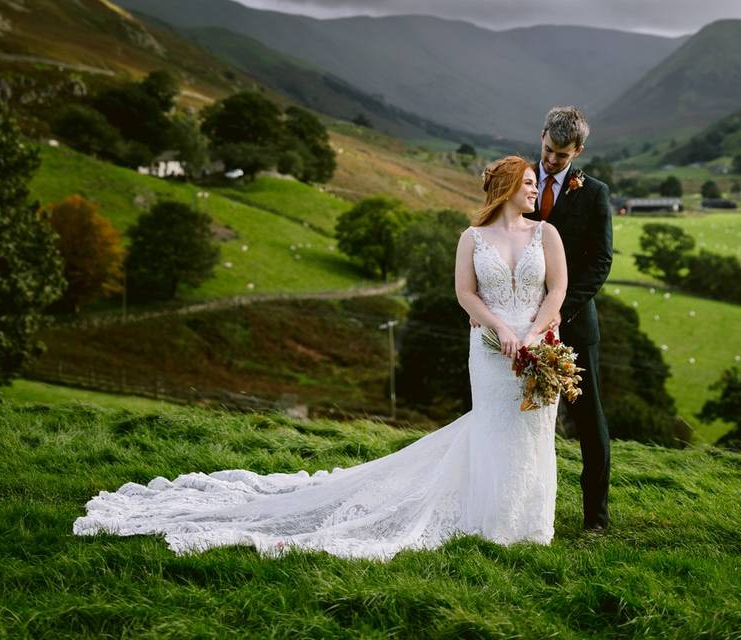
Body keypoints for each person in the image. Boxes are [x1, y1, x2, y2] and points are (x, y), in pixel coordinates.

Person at [73, 156, 568, 561]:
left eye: (534, 185)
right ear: (504, 187)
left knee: (531, 430)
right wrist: (501, 327)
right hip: (489, 348)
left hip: (537, 347)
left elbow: (558, 288)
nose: (534, 190)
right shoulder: (471, 238)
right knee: (492, 427)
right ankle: (490, 521)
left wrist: (535, 333)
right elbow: (465, 293)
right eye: (527, 183)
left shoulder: (546, 234)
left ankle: (527, 525)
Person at [525, 106, 613, 533]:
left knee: (588, 419)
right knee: (515, 412)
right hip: (519, 319)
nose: (550, 161)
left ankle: (595, 518)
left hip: (575, 324)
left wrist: (562, 309)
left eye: (561, 155)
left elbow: (600, 262)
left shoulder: (594, 193)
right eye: (547, 150)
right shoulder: (517, 180)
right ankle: (518, 505)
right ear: (541, 135)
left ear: (578, 150)